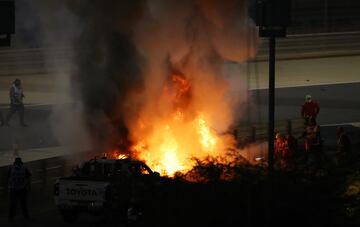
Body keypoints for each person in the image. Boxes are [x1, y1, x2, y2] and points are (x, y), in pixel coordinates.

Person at [7, 157, 32, 222]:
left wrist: (28, 186)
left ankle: (12, 218)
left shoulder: (12, 168)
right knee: (15, 204)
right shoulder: (23, 168)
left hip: (19, 188)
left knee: (21, 204)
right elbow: (28, 177)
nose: (18, 164)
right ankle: (12, 217)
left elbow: (28, 177)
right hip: (16, 188)